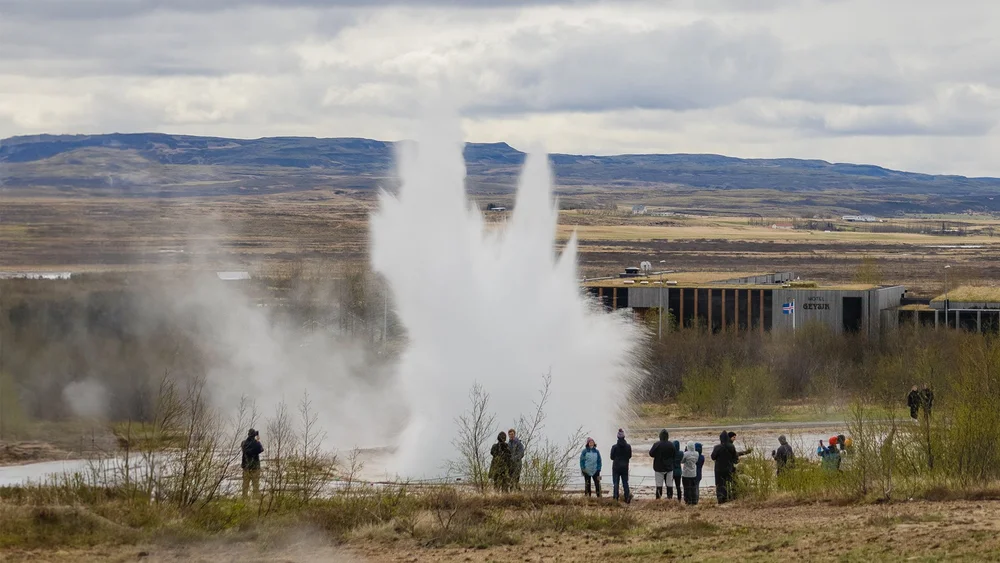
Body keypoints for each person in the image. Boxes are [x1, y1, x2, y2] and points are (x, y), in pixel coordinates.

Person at [711, 431, 739, 504]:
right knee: (729, 483)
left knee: (720, 484)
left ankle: (721, 498)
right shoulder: (731, 446)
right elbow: (735, 458)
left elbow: (713, 457)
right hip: (729, 467)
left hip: (719, 469)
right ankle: (729, 497)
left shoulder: (717, 447)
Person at [648, 429, 676, 500]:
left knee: (659, 485)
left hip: (658, 468)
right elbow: (674, 455)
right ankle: (669, 498)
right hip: (669, 468)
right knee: (669, 485)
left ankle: (658, 499)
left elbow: (651, 454)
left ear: (660, 436)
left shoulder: (656, 444)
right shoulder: (671, 445)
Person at [609, 429, 632, 503]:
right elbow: (629, 456)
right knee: (625, 482)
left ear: (617, 437)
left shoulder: (614, 447)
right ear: (624, 437)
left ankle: (615, 498)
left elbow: (611, 457)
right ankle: (627, 497)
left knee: (616, 483)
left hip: (616, 467)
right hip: (625, 467)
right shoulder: (628, 446)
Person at [241, 428, 264, 498]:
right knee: (256, 485)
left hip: (246, 467)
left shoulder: (243, 443)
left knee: (245, 484)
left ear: (248, 434)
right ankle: (256, 498)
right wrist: (257, 440)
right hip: (255, 467)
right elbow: (261, 449)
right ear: (254, 435)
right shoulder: (256, 443)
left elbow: (245, 449)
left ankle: (244, 498)